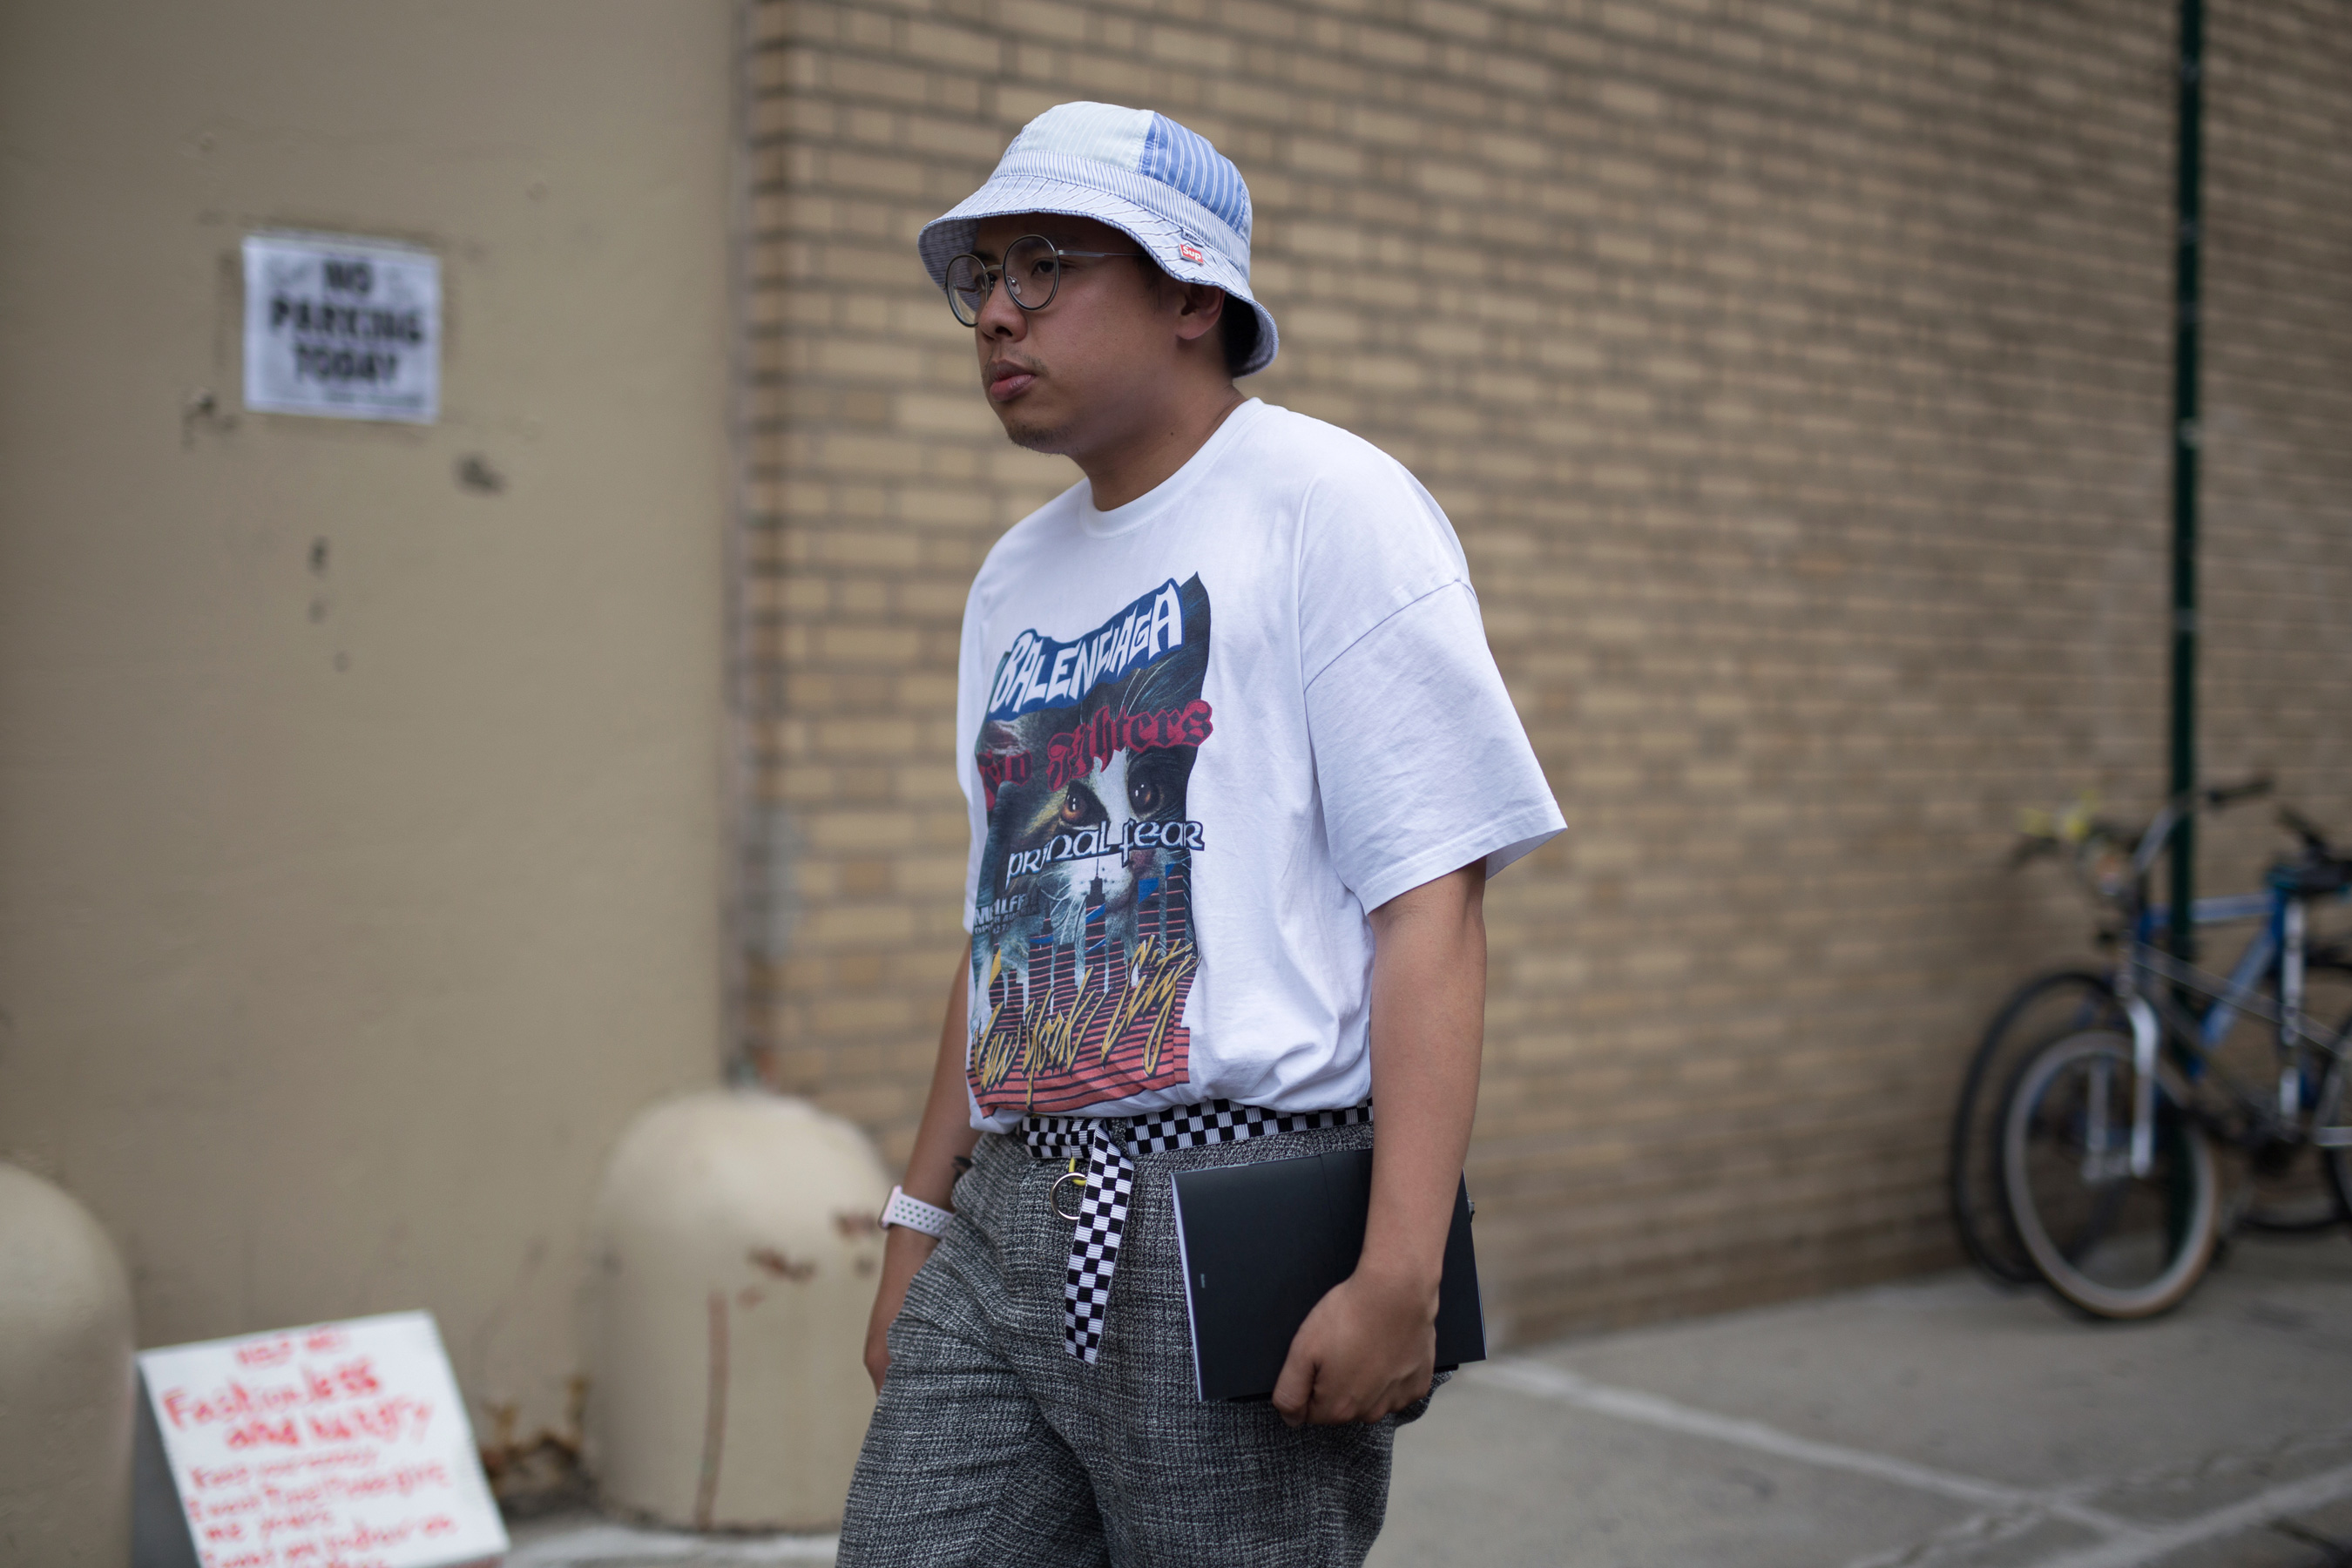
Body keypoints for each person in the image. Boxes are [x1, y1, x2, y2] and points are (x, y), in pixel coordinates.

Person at [837, 101, 1563, 1568]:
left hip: (1236, 1214)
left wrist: (1400, 1271)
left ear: (1191, 293)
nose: (996, 313)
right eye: (982, 277)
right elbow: (1007, 919)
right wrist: (921, 1215)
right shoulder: (1013, 576)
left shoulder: (1329, 506)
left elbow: (1430, 903)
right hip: (1014, 1205)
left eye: (1044, 266)